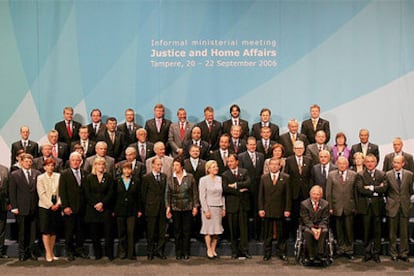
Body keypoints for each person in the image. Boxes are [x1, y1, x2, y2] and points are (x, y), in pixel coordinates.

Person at [9, 153, 41, 261]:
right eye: (26, 161)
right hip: (21, 208)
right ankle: (22, 253)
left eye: (30, 161)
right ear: (21, 162)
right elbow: (12, 192)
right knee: (22, 232)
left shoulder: (37, 173)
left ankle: (31, 251)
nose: (28, 163)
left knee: (33, 232)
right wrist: (14, 207)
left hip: (34, 207)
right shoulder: (14, 174)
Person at [166, 157, 199, 260]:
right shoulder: (170, 178)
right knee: (177, 231)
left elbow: (194, 193)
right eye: (173, 165)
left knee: (186, 231)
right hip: (175, 208)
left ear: (181, 166)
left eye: (176, 165)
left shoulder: (189, 177)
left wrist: (195, 206)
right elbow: (167, 194)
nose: (174, 167)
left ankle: (186, 252)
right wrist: (168, 207)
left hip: (187, 207)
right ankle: (178, 252)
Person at [355, 153, 386, 263]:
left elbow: (384, 189)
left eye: (372, 161)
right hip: (365, 207)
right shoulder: (360, 175)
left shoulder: (382, 174)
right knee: (366, 231)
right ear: (364, 163)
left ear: (376, 162)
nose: (370, 164)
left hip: (378, 207)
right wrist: (376, 189)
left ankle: (376, 253)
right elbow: (360, 189)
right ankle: (367, 253)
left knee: (377, 231)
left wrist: (371, 187)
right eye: (367, 162)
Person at [258, 158, 291, 261]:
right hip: (267, 209)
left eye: (276, 165)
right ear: (269, 166)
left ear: (280, 166)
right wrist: (261, 208)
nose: (274, 166)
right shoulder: (264, 178)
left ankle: (282, 253)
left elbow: (288, 195)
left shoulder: (286, 178)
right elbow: (260, 195)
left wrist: (287, 209)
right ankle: (267, 253)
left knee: (281, 233)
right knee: (267, 234)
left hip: (280, 209)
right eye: (272, 164)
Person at [59, 151, 88, 261]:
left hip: (82, 208)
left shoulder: (85, 173)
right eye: (73, 160)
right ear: (70, 162)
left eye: (77, 160)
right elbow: (62, 191)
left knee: (81, 231)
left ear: (81, 162)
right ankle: (69, 251)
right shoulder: (64, 174)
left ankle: (79, 250)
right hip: (70, 208)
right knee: (69, 231)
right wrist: (65, 206)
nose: (75, 162)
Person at [84, 157, 115, 260]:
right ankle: (98, 254)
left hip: (106, 208)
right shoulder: (89, 177)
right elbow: (87, 193)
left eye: (102, 164)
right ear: (95, 166)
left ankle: (109, 254)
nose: (101, 166)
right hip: (93, 209)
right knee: (95, 233)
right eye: (98, 164)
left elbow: (111, 192)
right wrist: (96, 204)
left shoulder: (109, 177)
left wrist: (102, 204)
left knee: (108, 233)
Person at [326, 156, 357, 259]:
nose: (342, 165)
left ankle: (349, 250)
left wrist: (356, 206)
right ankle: (340, 249)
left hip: (349, 206)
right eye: (340, 164)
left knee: (349, 230)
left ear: (347, 165)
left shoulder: (353, 175)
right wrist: (330, 206)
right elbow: (328, 192)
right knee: (338, 230)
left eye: (344, 164)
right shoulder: (331, 175)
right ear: (337, 165)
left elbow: (355, 192)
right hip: (336, 206)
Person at [222, 154, 251, 259]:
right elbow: (225, 189)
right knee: (233, 230)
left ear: (237, 161)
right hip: (232, 206)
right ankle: (234, 251)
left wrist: (235, 185)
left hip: (243, 205)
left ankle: (244, 250)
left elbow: (248, 183)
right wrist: (240, 190)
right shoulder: (225, 174)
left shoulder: (244, 172)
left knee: (244, 230)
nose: (230, 163)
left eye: (232, 161)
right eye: (228, 161)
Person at [385, 155, 413, 262]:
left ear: (403, 164)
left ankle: (404, 253)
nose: (395, 164)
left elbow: (410, 190)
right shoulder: (387, 175)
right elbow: (386, 190)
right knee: (392, 233)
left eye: (397, 162)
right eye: (394, 162)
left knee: (404, 232)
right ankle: (393, 253)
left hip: (405, 206)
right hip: (392, 206)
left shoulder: (409, 175)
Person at [238, 137, 265, 240]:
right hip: (246, 189)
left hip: (258, 189)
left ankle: (257, 235)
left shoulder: (261, 156)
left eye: (254, 144)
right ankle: (247, 236)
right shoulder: (241, 156)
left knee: (257, 213)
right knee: (246, 214)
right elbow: (240, 173)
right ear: (247, 145)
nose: (252, 146)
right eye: (250, 144)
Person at [141, 157, 168, 260]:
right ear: (152, 165)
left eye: (161, 165)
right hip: (151, 208)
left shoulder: (164, 177)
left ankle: (159, 251)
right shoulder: (146, 177)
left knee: (162, 232)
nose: (160, 167)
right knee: (151, 232)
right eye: (158, 164)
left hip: (162, 208)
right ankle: (150, 251)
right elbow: (143, 194)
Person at [113, 162, 141, 260]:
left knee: (131, 232)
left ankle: (131, 253)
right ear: (122, 170)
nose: (127, 171)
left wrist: (139, 210)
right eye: (125, 169)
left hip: (132, 210)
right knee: (122, 232)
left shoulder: (136, 181)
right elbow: (114, 197)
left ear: (131, 170)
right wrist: (114, 210)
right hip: (120, 210)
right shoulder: (116, 181)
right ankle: (122, 252)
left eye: (129, 169)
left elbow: (139, 196)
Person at [285, 140, 313, 236]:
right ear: (293, 149)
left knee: (305, 215)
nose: (299, 150)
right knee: (294, 215)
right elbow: (286, 177)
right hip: (294, 193)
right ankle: (293, 235)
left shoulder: (308, 160)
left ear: (304, 149)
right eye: (297, 148)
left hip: (305, 192)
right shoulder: (289, 160)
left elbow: (311, 177)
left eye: (301, 148)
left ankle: (305, 234)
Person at [199, 160, 226, 259]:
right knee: (208, 230)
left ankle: (213, 249)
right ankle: (209, 249)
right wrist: (206, 210)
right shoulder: (203, 180)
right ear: (208, 169)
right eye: (214, 167)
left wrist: (223, 208)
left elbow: (222, 195)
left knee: (216, 230)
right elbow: (202, 196)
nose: (216, 168)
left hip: (218, 207)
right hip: (208, 207)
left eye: (216, 166)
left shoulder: (220, 179)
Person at [36, 158, 61, 262]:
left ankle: (52, 251)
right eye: (48, 165)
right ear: (44, 167)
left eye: (52, 165)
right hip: (45, 207)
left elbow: (61, 191)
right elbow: (41, 194)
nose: (50, 167)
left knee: (53, 231)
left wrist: (58, 203)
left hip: (57, 206)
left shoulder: (58, 176)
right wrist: (50, 205)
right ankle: (48, 253)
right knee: (46, 230)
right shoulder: (40, 178)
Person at [300, 185, 330, 264]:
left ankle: (320, 254)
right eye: (314, 194)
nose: (315, 196)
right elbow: (305, 219)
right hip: (308, 225)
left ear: (321, 195)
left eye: (317, 194)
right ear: (310, 194)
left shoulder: (325, 204)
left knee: (324, 231)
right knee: (308, 232)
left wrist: (319, 229)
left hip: (321, 225)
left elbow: (325, 218)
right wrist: (313, 229)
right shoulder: (304, 204)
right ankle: (311, 255)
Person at [0, 164, 9, 258]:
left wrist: (8, 202)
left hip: (2, 204)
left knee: (1, 229)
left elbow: (8, 187)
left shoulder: (5, 169)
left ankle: (0, 252)